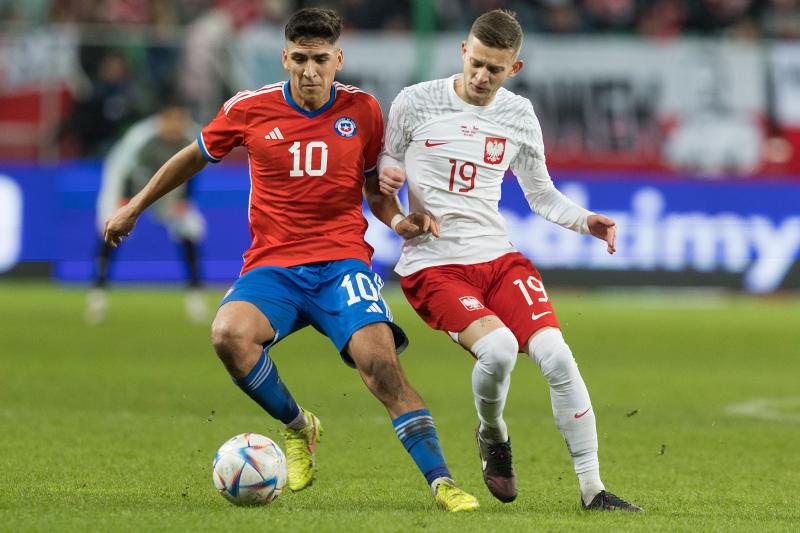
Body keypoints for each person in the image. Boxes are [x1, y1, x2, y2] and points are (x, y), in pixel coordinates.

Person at [102, 8, 478, 513]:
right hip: (273, 267)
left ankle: (442, 483)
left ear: (338, 58)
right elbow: (193, 155)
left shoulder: (364, 111)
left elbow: (374, 188)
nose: (309, 71)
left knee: (382, 368)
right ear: (284, 57)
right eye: (299, 59)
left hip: (342, 264)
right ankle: (301, 426)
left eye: (320, 59)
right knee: (227, 336)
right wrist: (135, 205)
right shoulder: (249, 108)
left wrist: (398, 220)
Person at [377, 9, 642, 512]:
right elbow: (386, 161)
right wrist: (391, 180)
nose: (481, 76)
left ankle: (593, 491)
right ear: (463, 49)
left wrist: (589, 221)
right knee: (497, 349)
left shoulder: (518, 115)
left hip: (499, 259)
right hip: (434, 265)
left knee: (558, 356)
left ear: (513, 69)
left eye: (494, 70)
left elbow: (541, 195)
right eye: (476, 63)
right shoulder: (414, 102)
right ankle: (492, 432)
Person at [86, 99, 207, 324]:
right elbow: (123, 170)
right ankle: (98, 292)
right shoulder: (140, 137)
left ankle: (195, 295)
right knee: (110, 226)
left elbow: (195, 167)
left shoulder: (193, 135)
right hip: (128, 183)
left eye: (180, 119)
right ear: (161, 119)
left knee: (190, 228)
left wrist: (184, 200)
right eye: (171, 119)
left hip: (166, 187)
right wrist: (124, 204)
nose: (175, 125)